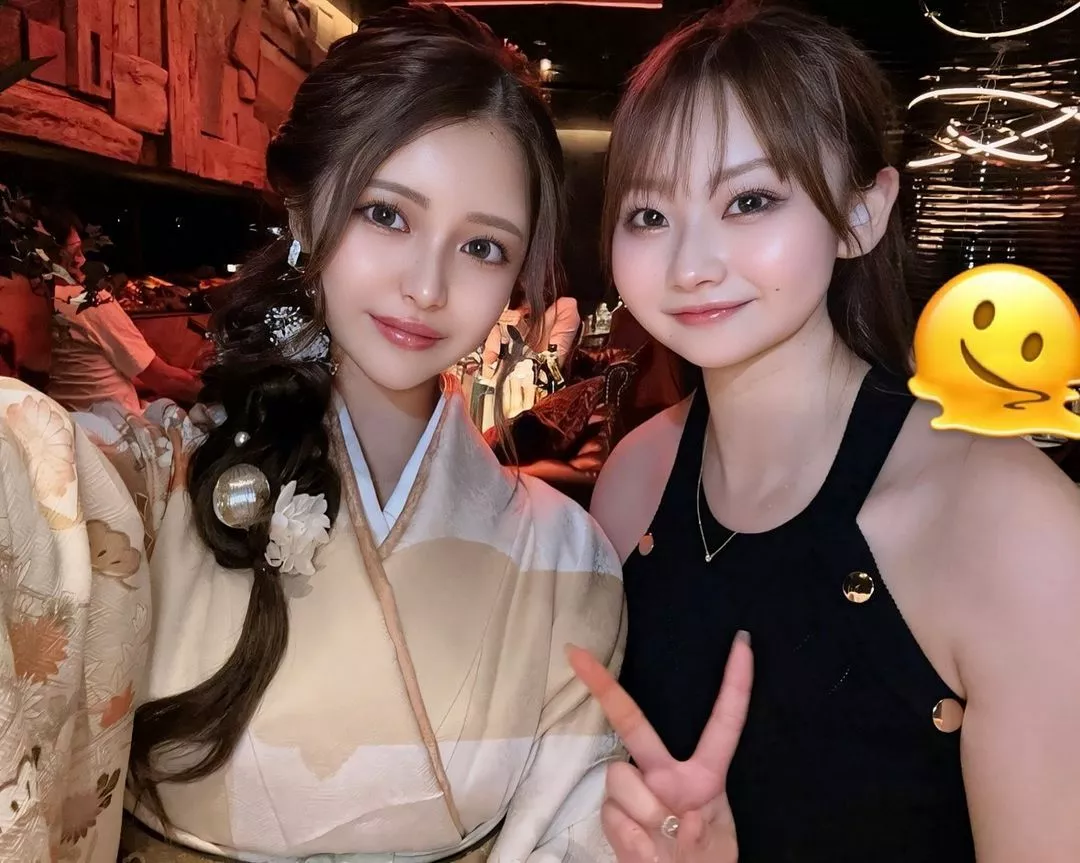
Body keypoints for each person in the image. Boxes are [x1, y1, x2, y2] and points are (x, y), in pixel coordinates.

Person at [0, 6, 625, 862]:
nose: (427, 286)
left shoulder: (570, 564)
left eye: (483, 246)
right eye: (387, 214)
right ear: (302, 210)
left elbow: (573, 833)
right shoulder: (148, 488)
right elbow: (29, 491)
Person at [584, 2, 1080, 861]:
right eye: (649, 215)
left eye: (749, 200)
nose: (690, 265)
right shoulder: (634, 481)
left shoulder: (1009, 521)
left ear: (861, 213)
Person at [42, 206, 202, 413]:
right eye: (75, 252)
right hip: (118, 426)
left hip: (72, 419)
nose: (82, 260)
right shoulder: (89, 301)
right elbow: (165, 380)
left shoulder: (37, 300)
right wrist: (222, 391)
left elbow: (92, 377)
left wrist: (177, 376)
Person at [482, 282, 581, 369]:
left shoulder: (565, 307)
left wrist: (524, 331)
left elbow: (553, 367)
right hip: (502, 380)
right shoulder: (507, 301)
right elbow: (489, 359)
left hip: (536, 381)